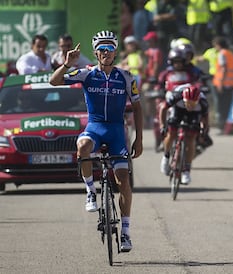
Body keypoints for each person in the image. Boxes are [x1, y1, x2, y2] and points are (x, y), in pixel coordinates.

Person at [49, 30, 143, 252]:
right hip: (95, 127)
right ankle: (90, 190)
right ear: (95, 52)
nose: (106, 52)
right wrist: (66, 64)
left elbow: (138, 107)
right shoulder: (86, 73)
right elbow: (54, 82)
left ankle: (126, 232)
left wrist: (139, 139)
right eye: (101, 49)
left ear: (115, 51)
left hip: (116, 132)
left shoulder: (127, 77)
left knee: (123, 181)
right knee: (82, 146)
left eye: (110, 48)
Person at [159, 84, 209, 184]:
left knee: (191, 138)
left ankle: (186, 170)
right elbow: (163, 109)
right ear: (184, 99)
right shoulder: (176, 96)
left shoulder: (203, 103)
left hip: (194, 114)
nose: (190, 106)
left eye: (193, 103)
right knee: (172, 132)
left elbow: (205, 119)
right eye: (188, 103)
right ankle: (166, 156)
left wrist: (203, 131)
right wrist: (162, 125)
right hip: (178, 109)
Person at [212, 36, 233, 135]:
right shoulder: (230, 53)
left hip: (222, 84)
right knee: (228, 106)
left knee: (221, 107)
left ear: (218, 45)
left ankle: (222, 128)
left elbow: (223, 68)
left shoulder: (222, 54)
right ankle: (230, 128)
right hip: (230, 84)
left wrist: (220, 83)